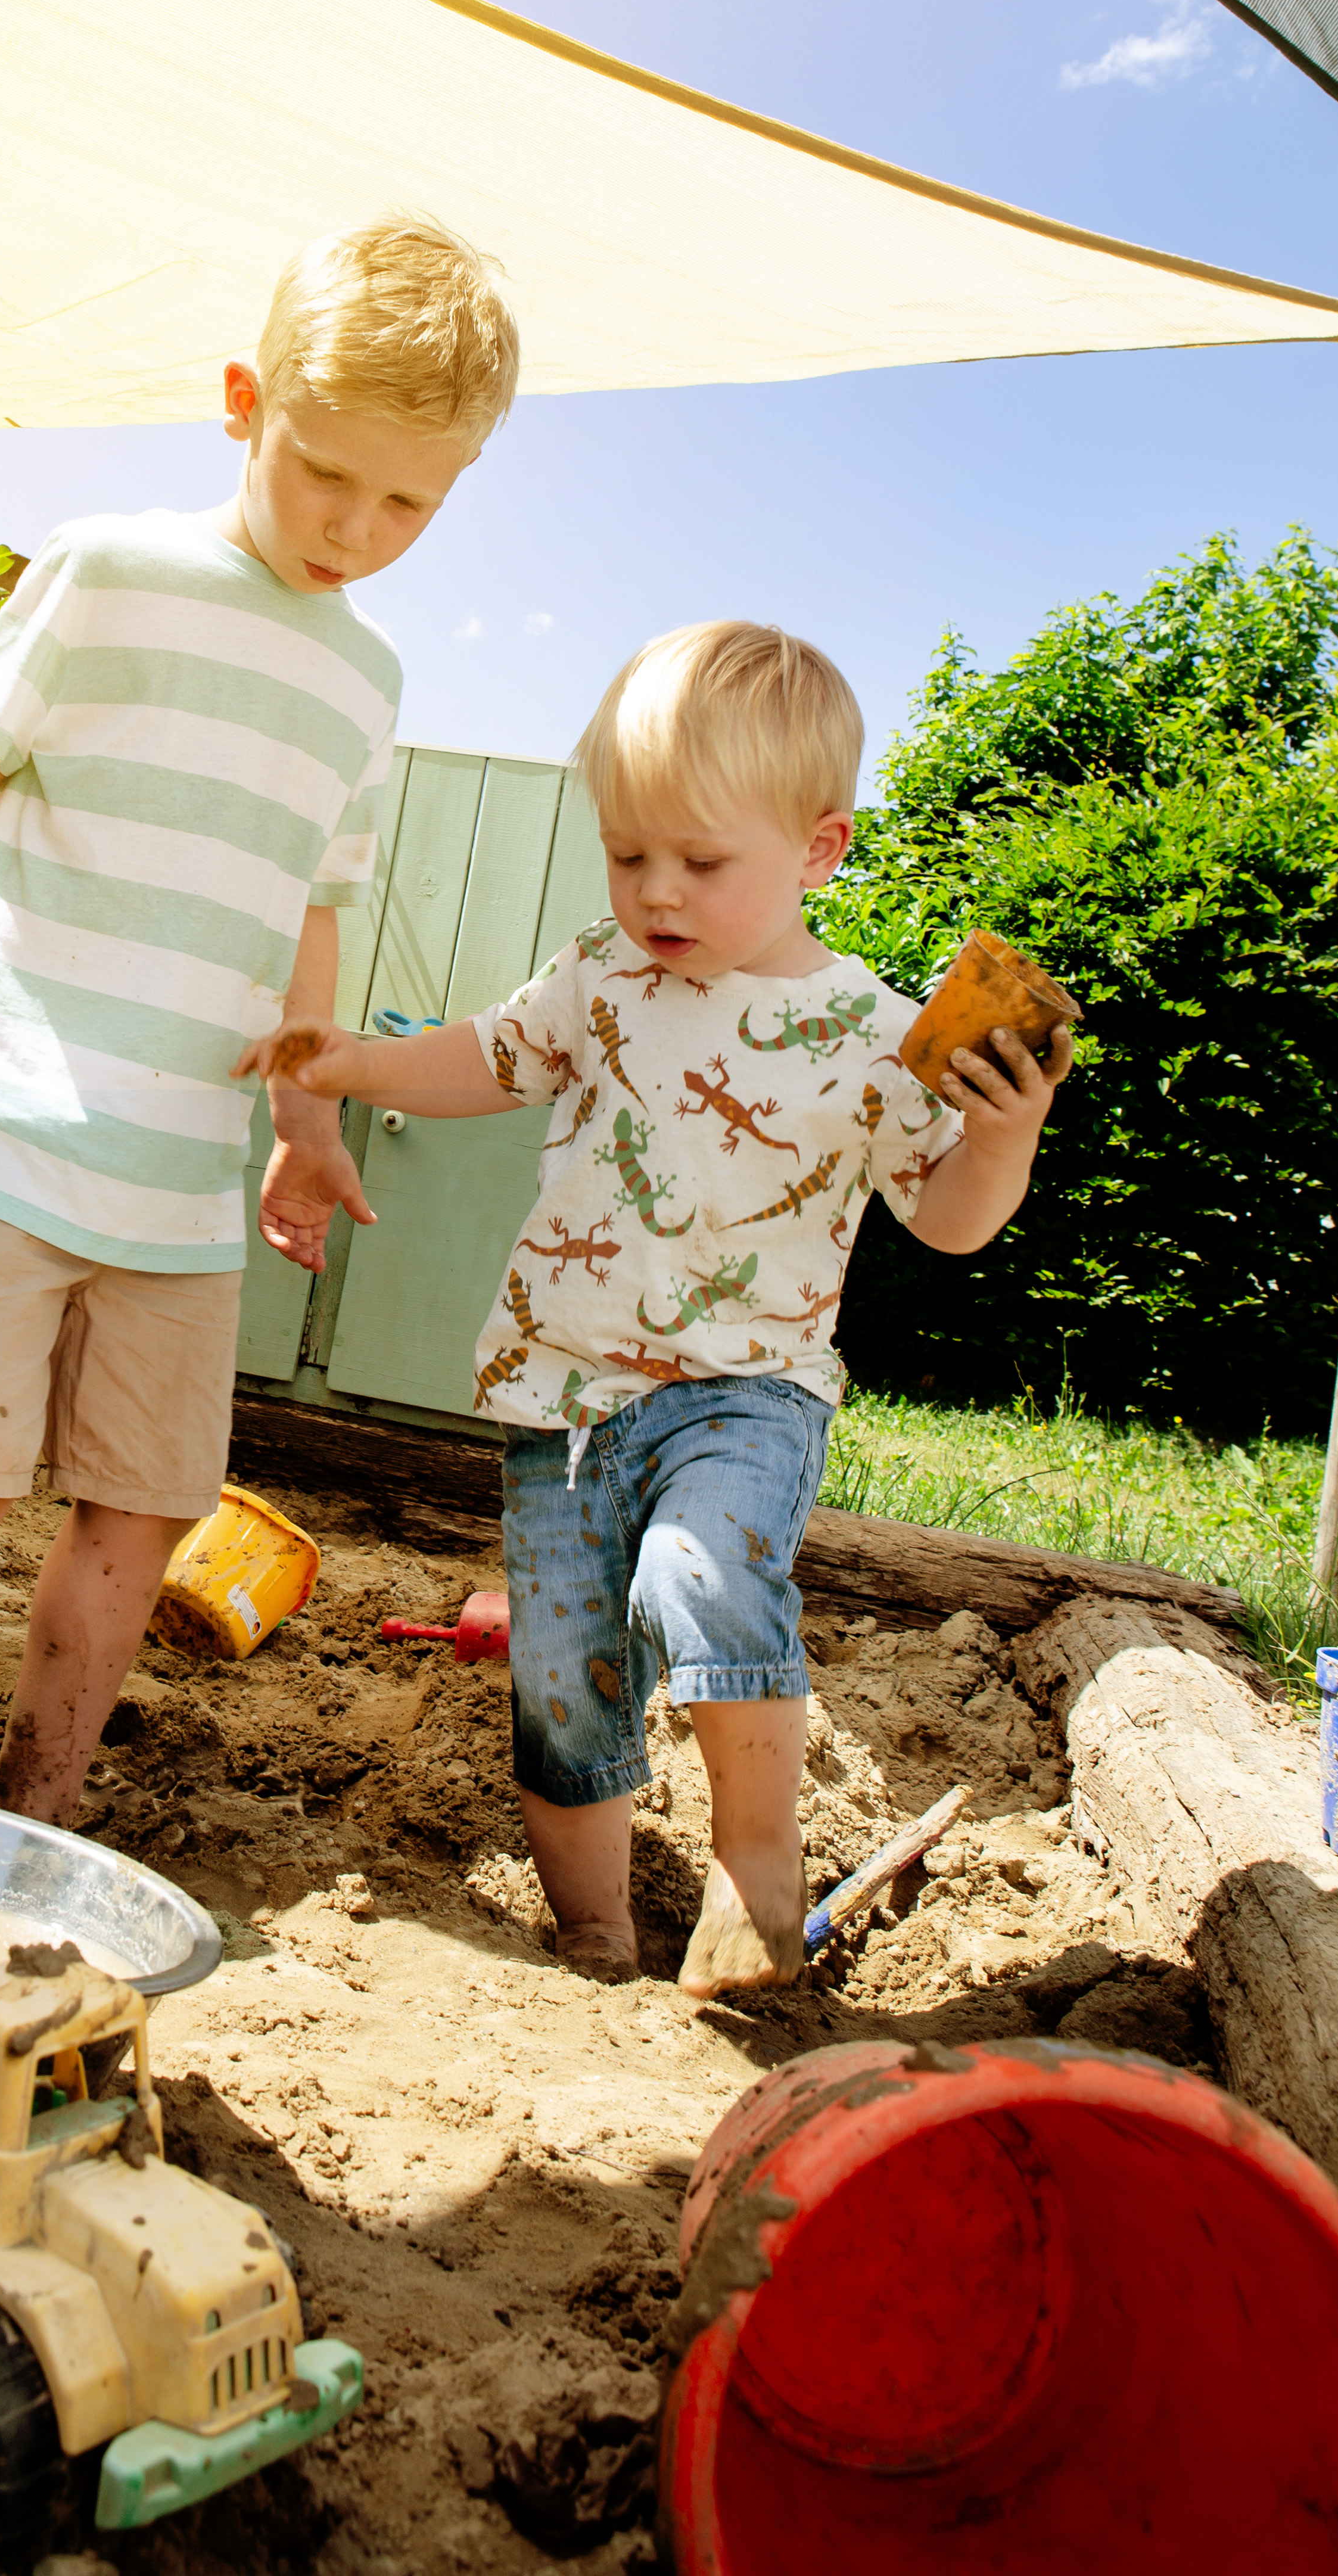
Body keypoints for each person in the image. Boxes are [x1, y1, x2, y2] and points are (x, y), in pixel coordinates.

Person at [0, 219, 520, 1825]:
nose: (358, 524)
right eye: (327, 470)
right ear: (242, 401)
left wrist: (307, 1119)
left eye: (412, 499)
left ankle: (33, 1813)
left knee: (139, 1514)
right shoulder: (109, 568)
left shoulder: (367, 679)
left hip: (180, 1184)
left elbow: (311, 904)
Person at [235, 618, 1072, 1998]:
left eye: (700, 861)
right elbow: (490, 1059)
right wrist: (353, 1064)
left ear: (821, 850)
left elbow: (951, 1217)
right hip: (561, 1391)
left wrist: (1006, 1137)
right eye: (630, 856)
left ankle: (756, 1880)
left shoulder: (872, 1032)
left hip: (745, 1392)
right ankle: (595, 1938)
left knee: (700, 1577)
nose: (656, 893)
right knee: (564, 1688)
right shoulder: (601, 979)